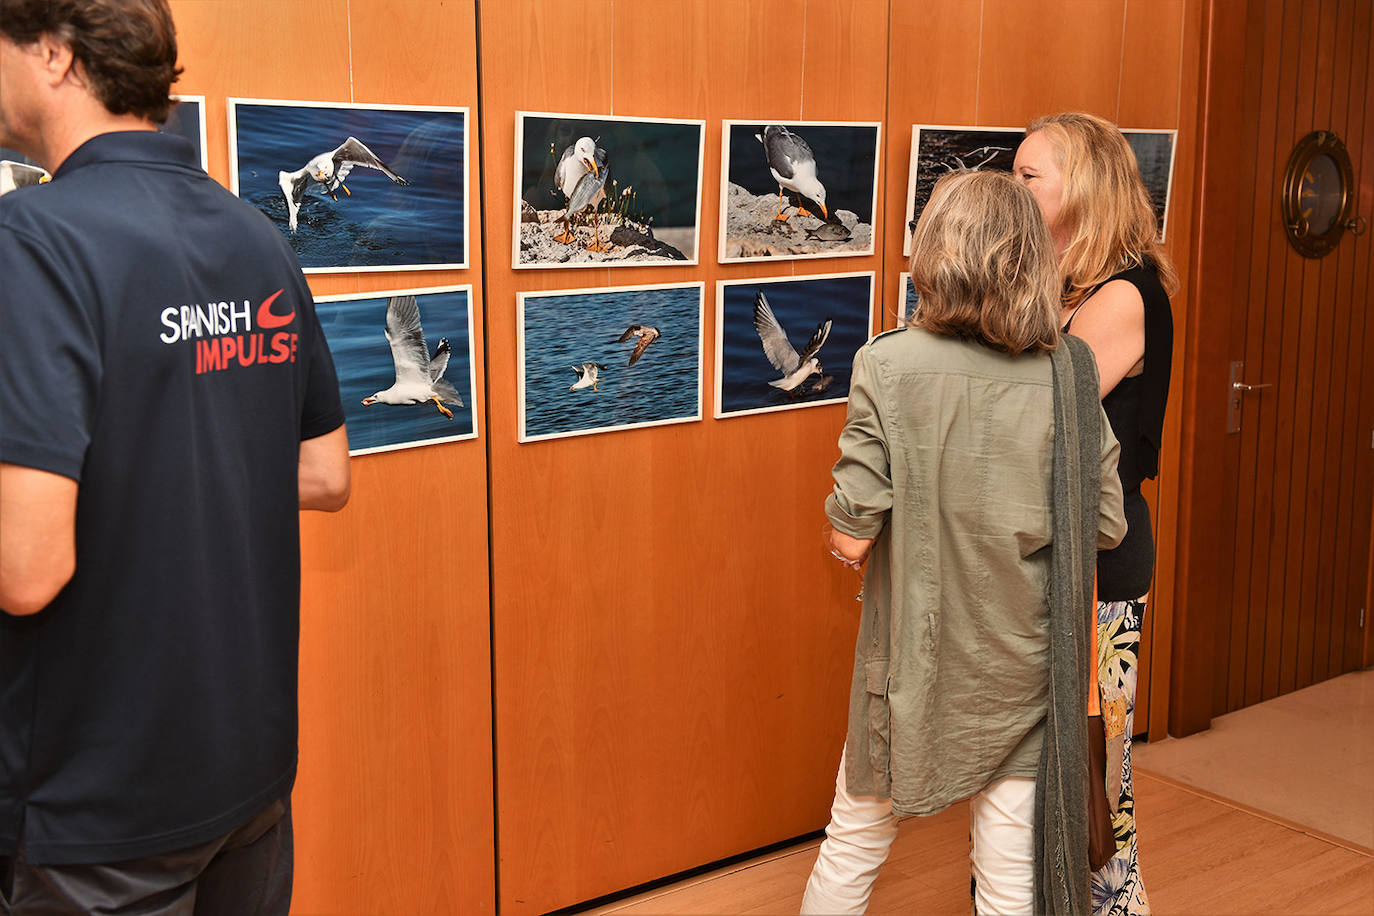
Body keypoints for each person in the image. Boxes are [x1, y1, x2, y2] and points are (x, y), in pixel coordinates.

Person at [0, 1, 350, 912]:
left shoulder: (30, 242)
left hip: (99, 802)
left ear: (51, 53)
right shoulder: (256, 235)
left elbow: (28, 569)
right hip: (247, 771)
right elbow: (323, 474)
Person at [801, 169, 1127, 915]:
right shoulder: (1069, 374)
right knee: (1011, 880)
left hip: (913, 664)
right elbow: (1104, 525)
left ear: (936, 253)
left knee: (852, 844)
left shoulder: (888, 364)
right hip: (1027, 667)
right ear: (1032, 259)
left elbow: (852, 541)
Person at [1013, 111, 1178, 915]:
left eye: (1027, 176)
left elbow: (1037, 415)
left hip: (1099, 565)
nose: (1013, 189)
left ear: (1081, 189)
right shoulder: (1070, 285)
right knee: (1036, 785)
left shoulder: (1121, 296)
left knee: (1093, 791)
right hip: (1055, 560)